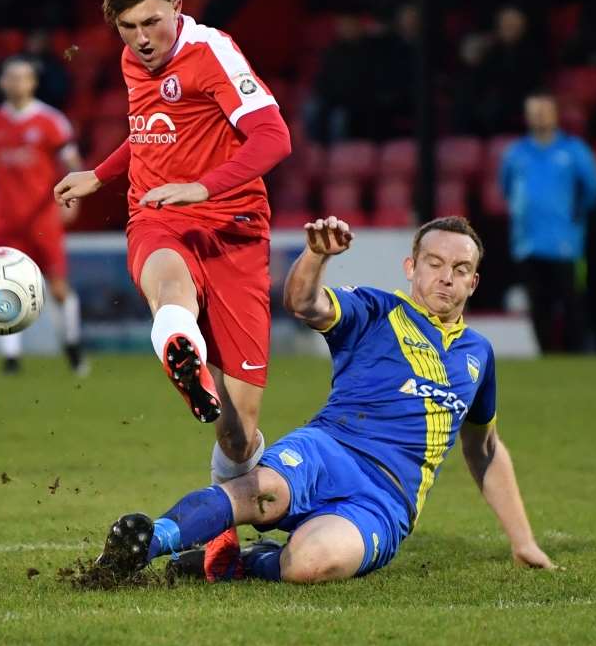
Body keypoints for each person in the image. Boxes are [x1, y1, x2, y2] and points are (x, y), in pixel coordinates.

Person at [97, 215, 555, 583]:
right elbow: (303, 303)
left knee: (313, 563)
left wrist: (523, 542)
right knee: (266, 494)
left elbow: (486, 449)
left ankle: (247, 563)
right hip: (329, 447)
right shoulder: (376, 310)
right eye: (434, 263)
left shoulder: (479, 355)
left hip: (387, 499)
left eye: (460, 270)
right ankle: (145, 541)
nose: (446, 278)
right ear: (411, 267)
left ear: (473, 283)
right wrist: (316, 256)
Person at [53, 0, 291, 565]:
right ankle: (181, 347)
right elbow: (148, 132)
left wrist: (205, 185)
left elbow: (274, 136)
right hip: (161, 216)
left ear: (177, 7)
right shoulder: (135, 62)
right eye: (127, 28)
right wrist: (101, 176)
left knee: (239, 435)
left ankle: (220, 533)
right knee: (167, 277)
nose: (141, 38)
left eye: (152, 22)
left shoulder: (212, 50)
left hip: (236, 230)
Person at [0, 56, 87, 376]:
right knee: (3, 285)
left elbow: (72, 162)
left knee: (58, 286)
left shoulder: (51, 121)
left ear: (33, 83)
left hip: (42, 217)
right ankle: (11, 357)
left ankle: (73, 344)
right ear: (1, 84)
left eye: (22, 78)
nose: (16, 84)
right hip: (5, 218)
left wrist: (73, 197)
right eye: (10, 78)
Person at [499, 93, 596, 353]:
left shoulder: (573, 150)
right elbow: (507, 188)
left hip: (565, 241)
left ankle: (576, 353)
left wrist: (573, 215)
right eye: (534, 111)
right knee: (538, 304)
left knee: (571, 301)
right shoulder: (516, 152)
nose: (539, 116)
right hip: (527, 241)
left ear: (555, 115)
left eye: (544, 111)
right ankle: (546, 354)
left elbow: (592, 190)